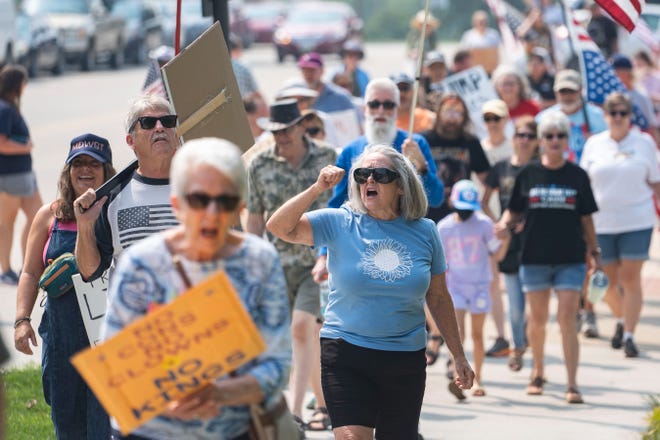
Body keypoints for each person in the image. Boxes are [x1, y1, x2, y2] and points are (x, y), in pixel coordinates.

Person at [266, 144, 474, 439]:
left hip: (404, 358)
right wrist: (317, 188)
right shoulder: (340, 221)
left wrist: (459, 356)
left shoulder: (426, 231)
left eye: (380, 175)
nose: (369, 181)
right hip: (346, 352)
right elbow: (279, 226)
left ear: (401, 186)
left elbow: (439, 298)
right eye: (362, 175)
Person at [103, 138, 292, 440]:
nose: (213, 212)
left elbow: (278, 365)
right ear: (176, 205)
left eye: (226, 201)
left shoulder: (259, 261)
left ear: (240, 207)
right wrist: (172, 399)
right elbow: (115, 368)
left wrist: (218, 394)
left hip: (233, 431)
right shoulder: (141, 266)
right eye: (200, 200)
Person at [14, 134, 116, 439]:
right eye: (78, 163)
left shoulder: (114, 211)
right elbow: (30, 273)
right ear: (67, 171)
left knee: (104, 426)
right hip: (62, 339)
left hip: (105, 339)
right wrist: (21, 320)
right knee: (67, 426)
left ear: (106, 171)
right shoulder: (49, 215)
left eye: (93, 164)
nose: (85, 170)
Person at [495, 112, 601, 404]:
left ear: (567, 140)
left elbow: (586, 218)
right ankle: (537, 372)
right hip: (534, 256)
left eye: (560, 135)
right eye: (550, 135)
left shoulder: (577, 175)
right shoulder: (527, 174)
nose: (555, 140)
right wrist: (504, 224)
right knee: (538, 320)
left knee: (568, 317)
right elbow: (514, 208)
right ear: (541, 141)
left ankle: (572, 383)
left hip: (571, 257)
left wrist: (595, 252)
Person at [246, 100, 336, 432]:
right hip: (277, 264)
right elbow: (254, 217)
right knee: (297, 337)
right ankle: (323, 404)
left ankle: (294, 413)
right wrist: (249, 262)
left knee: (303, 327)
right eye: (275, 131)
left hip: (318, 261)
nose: (281, 137)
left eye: (286, 130)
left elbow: (342, 205)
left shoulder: (328, 158)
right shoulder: (259, 165)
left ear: (300, 126)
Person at [580, 92, 660, 358]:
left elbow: (656, 182)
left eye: (622, 113)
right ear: (604, 116)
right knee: (605, 283)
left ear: (629, 116)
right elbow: (584, 186)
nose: (617, 117)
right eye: (612, 112)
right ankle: (622, 318)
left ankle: (629, 335)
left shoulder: (645, 142)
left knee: (631, 278)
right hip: (601, 223)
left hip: (637, 219)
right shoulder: (594, 144)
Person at [74, 94, 180, 282]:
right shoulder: (110, 199)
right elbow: (90, 272)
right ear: (131, 141)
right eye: (148, 123)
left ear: (176, 133)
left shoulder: (200, 189)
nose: (160, 127)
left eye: (167, 121)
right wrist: (84, 226)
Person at [437, 180, 509, 400]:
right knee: (458, 334)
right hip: (455, 286)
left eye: (468, 209)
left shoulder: (484, 224)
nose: (465, 213)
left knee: (478, 335)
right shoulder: (445, 227)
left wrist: (505, 239)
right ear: (452, 203)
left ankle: (478, 378)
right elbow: (437, 261)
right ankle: (457, 373)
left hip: (479, 286)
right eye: (461, 207)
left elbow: (497, 255)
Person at [483, 116, 539, 371]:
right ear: (514, 138)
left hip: (537, 244)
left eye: (529, 135)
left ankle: (528, 344)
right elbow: (485, 200)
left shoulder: (541, 168)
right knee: (515, 305)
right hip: (510, 245)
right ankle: (517, 347)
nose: (525, 140)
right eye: (520, 135)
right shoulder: (503, 167)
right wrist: (499, 225)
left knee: (534, 305)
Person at [0, 64, 43, 285]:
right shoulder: (4, 109)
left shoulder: (10, 107)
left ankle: (30, 263)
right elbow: (1, 143)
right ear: (17, 85)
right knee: (8, 221)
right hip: (11, 175)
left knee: (38, 217)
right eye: (24, 83)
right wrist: (24, 147)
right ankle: (6, 269)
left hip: (24, 174)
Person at [420, 92, 491, 222]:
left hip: (461, 215)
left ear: (464, 117)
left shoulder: (471, 142)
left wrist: (483, 204)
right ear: (438, 113)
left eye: (458, 113)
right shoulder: (424, 140)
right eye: (448, 112)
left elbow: (488, 180)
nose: (452, 119)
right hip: (428, 214)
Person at [479, 99, 513, 358]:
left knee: (516, 280)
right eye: (488, 119)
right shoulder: (479, 148)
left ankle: (520, 332)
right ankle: (502, 335)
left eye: (496, 119)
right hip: (486, 221)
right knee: (493, 280)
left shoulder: (515, 146)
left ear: (505, 120)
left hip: (514, 222)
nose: (492, 124)